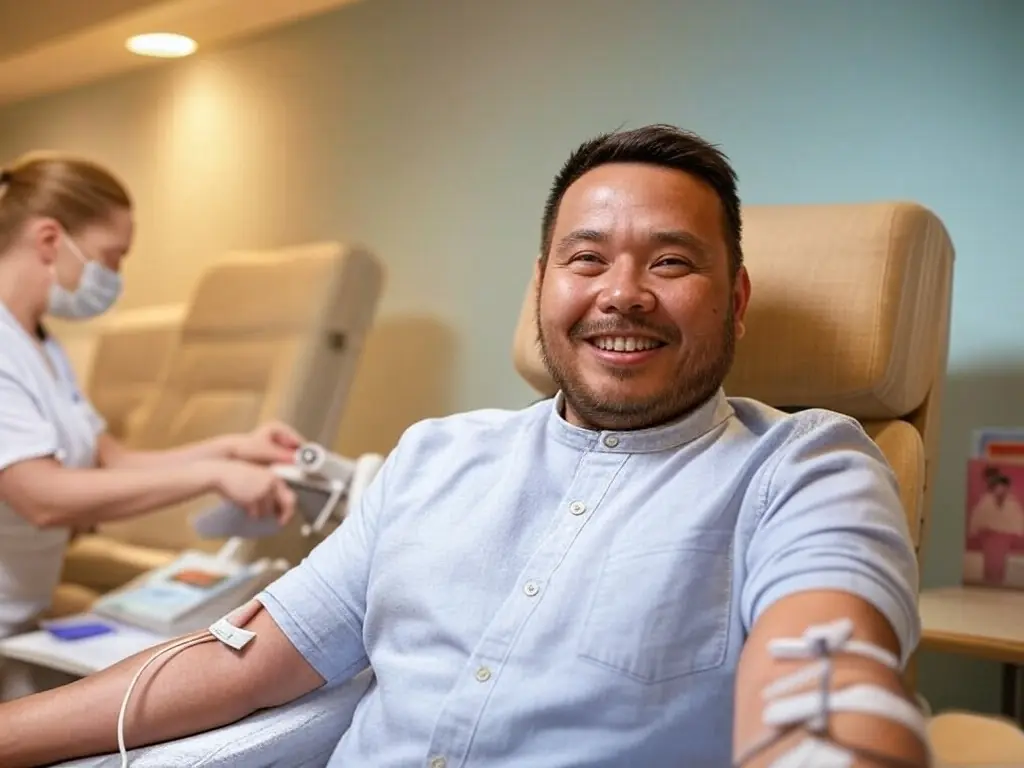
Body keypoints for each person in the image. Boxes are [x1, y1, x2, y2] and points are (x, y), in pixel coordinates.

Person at [0, 127, 926, 767]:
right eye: (587, 257)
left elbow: (823, 671)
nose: (624, 292)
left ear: (736, 299)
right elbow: (239, 656)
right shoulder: (438, 457)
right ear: (542, 286)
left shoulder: (805, 467)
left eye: (672, 261)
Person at [0, 153, 300, 699]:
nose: (114, 278)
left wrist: (235, 449)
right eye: (110, 258)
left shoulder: (40, 345)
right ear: (49, 239)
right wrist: (214, 475)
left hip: (17, 617)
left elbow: (109, 458)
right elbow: (42, 497)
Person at [968, 466, 1024, 584]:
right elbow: (977, 518)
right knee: (990, 560)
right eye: (997, 486)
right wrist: (978, 530)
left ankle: (998, 581)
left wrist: (1014, 532)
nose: (1000, 488)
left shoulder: (1012, 503)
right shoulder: (986, 501)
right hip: (988, 536)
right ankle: (988, 581)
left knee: (1000, 560)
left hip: (1004, 537)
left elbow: (1017, 519)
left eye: (1003, 486)